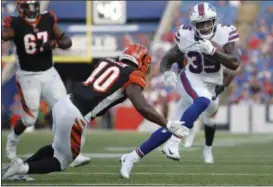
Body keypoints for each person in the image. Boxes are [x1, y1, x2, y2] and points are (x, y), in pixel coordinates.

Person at [2, 43, 186, 179]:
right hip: (76, 114)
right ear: (143, 63)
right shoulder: (133, 75)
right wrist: (167, 124)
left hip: (65, 102)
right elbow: (142, 107)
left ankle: (22, 167)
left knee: (56, 148)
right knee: (63, 160)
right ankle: (23, 169)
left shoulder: (106, 62)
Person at [120, 2, 241, 178]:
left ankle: (131, 157)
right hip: (190, 78)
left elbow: (234, 63)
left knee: (171, 126)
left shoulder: (225, 33)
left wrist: (214, 51)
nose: (205, 26)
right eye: (201, 24)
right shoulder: (186, 35)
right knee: (204, 100)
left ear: (214, 21)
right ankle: (175, 143)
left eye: (208, 22)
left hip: (210, 83)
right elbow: (167, 59)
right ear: (194, 25)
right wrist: (167, 72)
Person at [2, 0, 90, 174]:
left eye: (34, 6)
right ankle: (12, 141)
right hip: (28, 76)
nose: (32, 10)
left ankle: (69, 151)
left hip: (49, 73)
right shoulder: (15, 24)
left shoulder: (48, 19)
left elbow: (66, 41)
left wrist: (57, 43)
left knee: (64, 110)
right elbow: (4, 34)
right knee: (29, 119)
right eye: (28, 7)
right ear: (21, 8)